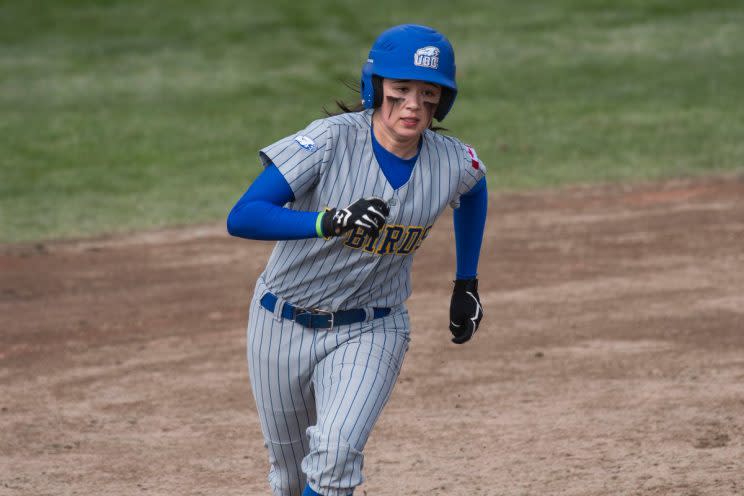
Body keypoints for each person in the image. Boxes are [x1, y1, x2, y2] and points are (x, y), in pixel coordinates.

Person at [227, 23, 487, 496]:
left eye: (428, 93)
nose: (413, 104)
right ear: (377, 87)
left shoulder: (453, 161)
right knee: (289, 476)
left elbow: (475, 186)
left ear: (441, 101)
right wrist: (328, 222)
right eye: (401, 89)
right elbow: (243, 216)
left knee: (335, 457)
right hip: (279, 322)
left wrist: (466, 282)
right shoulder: (328, 141)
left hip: (373, 327)